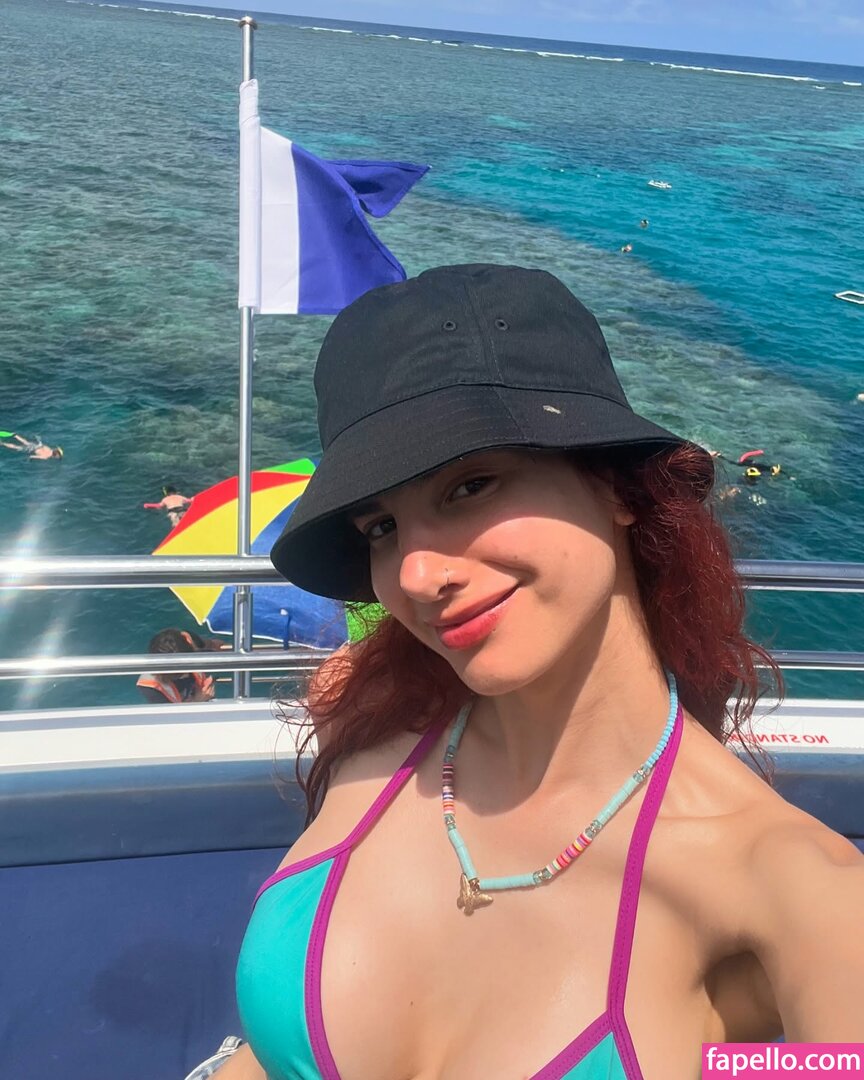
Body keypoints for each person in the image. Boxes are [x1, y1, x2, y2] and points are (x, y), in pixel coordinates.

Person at [220, 264, 864, 1080]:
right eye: (381, 527)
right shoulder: (370, 736)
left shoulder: (794, 895)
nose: (415, 575)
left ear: (617, 489)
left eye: (470, 485)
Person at [136, 628, 222, 704]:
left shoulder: (188, 640)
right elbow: (171, 715)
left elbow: (213, 645)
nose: (186, 674)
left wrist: (215, 647)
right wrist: (197, 701)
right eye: (182, 673)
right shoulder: (151, 686)